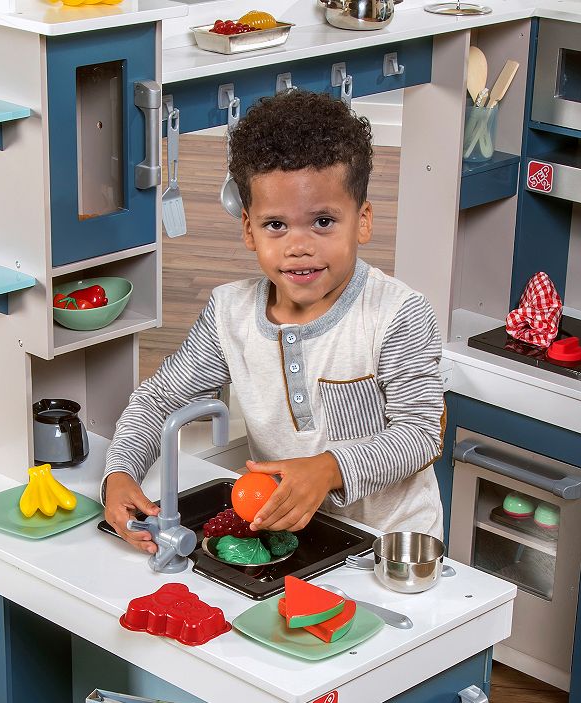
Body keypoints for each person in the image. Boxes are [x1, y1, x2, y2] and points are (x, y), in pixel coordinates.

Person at [103, 90, 444, 551]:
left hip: (391, 547)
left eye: (323, 222)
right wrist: (120, 473)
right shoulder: (230, 313)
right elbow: (158, 399)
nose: (298, 246)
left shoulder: (397, 314)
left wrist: (329, 468)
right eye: (276, 225)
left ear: (362, 221)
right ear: (248, 228)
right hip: (291, 541)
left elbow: (420, 434)